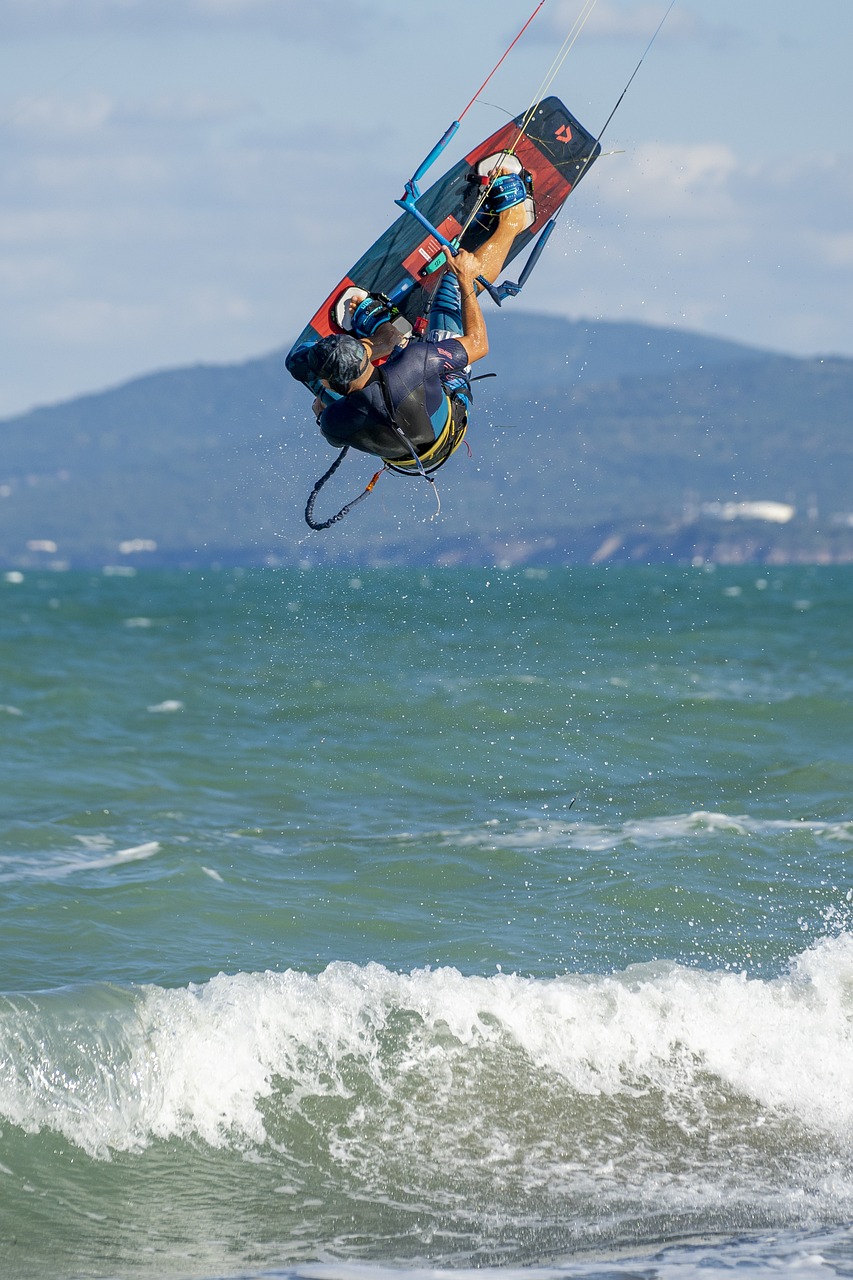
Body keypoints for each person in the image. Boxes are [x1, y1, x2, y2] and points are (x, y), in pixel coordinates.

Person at [285, 171, 531, 474]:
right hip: (447, 408)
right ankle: (514, 220)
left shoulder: (334, 424)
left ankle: (389, 335)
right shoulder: (414, 364)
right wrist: (466, 278)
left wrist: (324, 405)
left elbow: (318, 395)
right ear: (369, 358)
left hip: (409, 450)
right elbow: (479, 345)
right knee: (451, 287)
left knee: (296, 364)